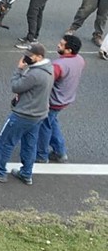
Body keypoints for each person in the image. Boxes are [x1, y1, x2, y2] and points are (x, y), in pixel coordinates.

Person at [0, 43, 54, 186]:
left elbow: (16, 86)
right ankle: (26, 173)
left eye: (29, 56)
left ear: (39, 57)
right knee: (29, 145)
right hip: (38, 114)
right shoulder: (48, 69)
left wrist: (19, 69)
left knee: (5, 141)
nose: (26, 57)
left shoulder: (34, 74)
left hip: (23, 114)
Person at [36, 35, 85, 163]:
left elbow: (46, 83)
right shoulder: (79, 59)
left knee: (44, 126)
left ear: (68, 50)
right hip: (66, 98)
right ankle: (59, 151)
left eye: (62, 44)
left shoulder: (58, 65)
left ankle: (41, 155)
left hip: (53, 101)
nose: (58, 45)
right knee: (52, 122)